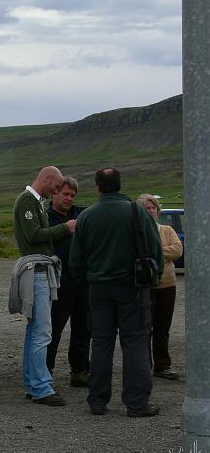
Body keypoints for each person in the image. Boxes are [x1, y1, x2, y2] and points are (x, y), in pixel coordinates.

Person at [70, 167, 163, 417]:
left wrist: (84, 282)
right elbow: (155, 250)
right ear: (120, 185)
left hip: (98, 289)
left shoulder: (87, 216)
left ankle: (98, 401)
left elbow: (76, 258)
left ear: (98, 187)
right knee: (134, 343)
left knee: (101, 343)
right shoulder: (137, 212)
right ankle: (136, 403)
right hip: (132, 288)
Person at [12, 166, 76, 406]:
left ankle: (34, 383)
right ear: (47, 179)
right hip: (36, 271)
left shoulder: (35, 202)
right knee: (42, 331)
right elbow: (33, 235)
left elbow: (42, 236)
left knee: (35, 331)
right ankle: (40, 387)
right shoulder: (27, 201)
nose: (56, 192)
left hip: (41, 270)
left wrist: (64, 231)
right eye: (56, 187)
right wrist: (65, 228)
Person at [46, 177, 91, 388]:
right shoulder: (46, 217)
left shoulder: (82, 216)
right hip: (57, 283)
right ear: (54, 193)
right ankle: (45, 372)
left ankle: (80, 371)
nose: (69, 198)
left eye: (72, 195)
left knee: (83, 328)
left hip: (82, 282)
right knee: (53, 329)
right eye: (65, 194)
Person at [138, 194, 183, 380]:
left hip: (167, 285)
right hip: (146, 287)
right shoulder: (137, 233)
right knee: (144, 328)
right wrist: (162, 253)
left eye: (153, 208)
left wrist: (153, 252)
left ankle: (162, 366)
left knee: (162, 328)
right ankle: (143, 367)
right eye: (146, 208)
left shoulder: (167, 230)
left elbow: (178, 250)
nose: (150, 211)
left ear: (158, 210)